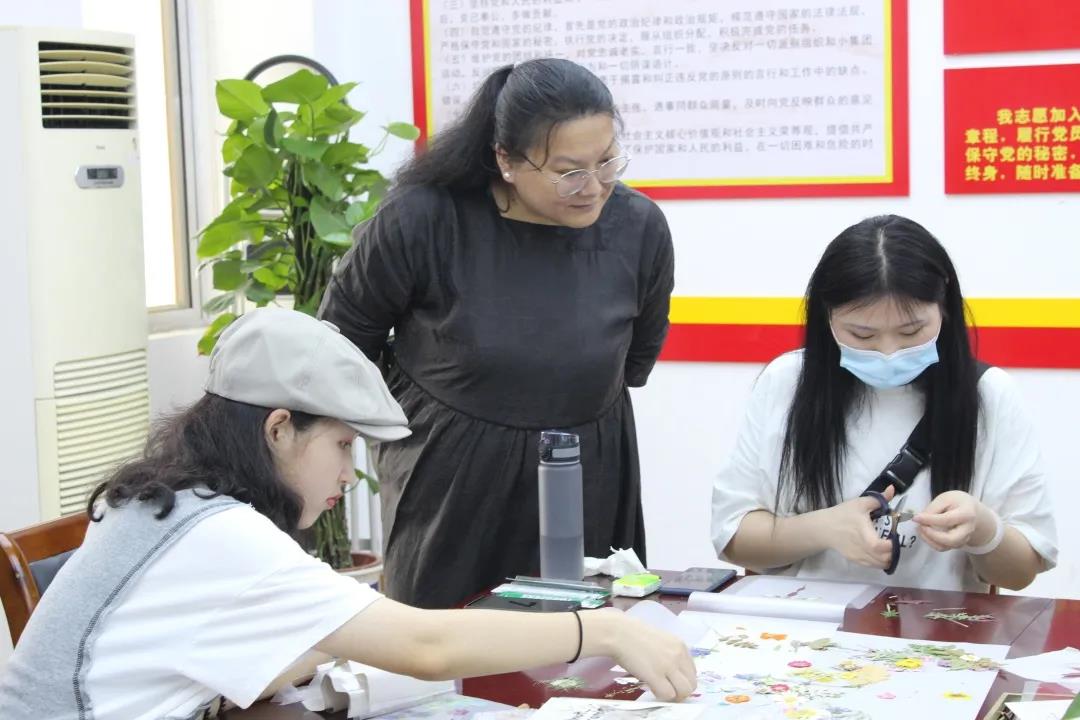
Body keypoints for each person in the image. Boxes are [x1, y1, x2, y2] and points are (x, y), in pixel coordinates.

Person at [0, 309, 696, 720]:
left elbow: (260, 664)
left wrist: (340, 634)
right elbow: (427, 648)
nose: (346, 472)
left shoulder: (164, 502)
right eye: (340, 444)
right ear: (278, 429)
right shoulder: (222, 536)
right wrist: (604, 630)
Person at [319, 58, 674, 608]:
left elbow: (635, 358)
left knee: (586, 638)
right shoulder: (423, 220)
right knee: (446, 643)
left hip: (588, 471)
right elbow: (341, 343)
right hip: (451, 483)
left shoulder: (639, 227)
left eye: (606, 162)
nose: (593, 187)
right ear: (506, 160)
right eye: (569, 171)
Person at [711, 215, 1057, 592]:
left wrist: (984, 529)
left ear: (944, 308)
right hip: (806, 622)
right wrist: (823, 528)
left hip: (937, 626)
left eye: (911, 331)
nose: (888, 352)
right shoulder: (787, 382)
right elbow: (733, 537)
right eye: (862, 335)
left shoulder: (989, 395)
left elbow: (1022, 572)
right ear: (827, 316)